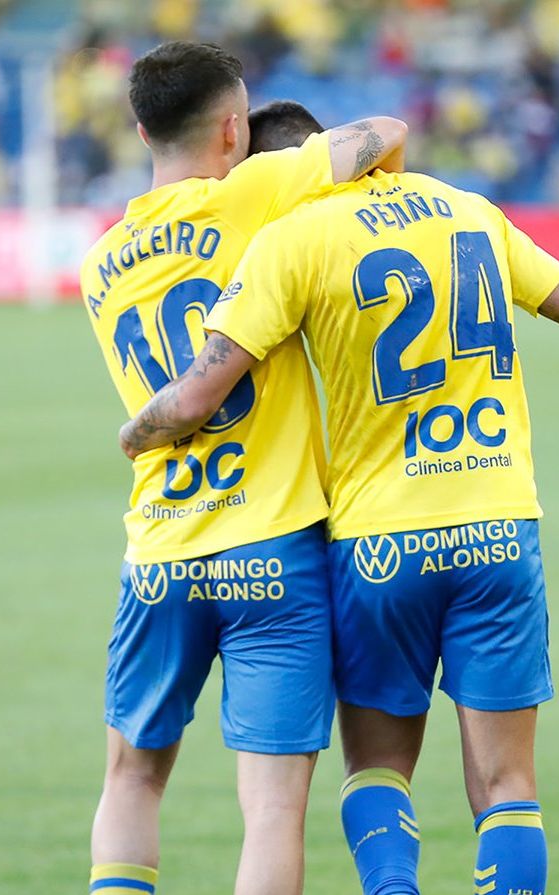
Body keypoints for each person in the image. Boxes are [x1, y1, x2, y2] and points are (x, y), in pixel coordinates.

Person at [116, 129, 559, 894]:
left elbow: (200, 393)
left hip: (379, 543)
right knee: (508, 786)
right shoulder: (469, 210)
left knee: (376, 769)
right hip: (498, 526)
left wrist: (136, 432)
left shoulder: (291, 237)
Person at [78, 43, 408, 895]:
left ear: (143, 128)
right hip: (275, 545)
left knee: (131, 778)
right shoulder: (257, 195)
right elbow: (382, 131)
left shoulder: (99, 266)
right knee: (270, 809)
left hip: (161, 545)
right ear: (234, 129)